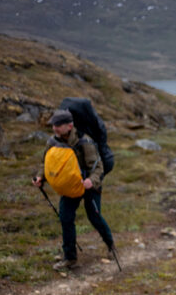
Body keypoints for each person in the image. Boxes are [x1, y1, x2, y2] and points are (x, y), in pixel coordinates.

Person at [32, 109, 115, 271]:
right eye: (53, 125)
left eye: (58, 125)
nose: (54, 128)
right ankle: (70, 257)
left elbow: (98, 167)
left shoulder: (85, 142)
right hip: (70, 185)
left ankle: (110, 244)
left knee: (94, 216)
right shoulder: (52, 142)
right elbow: (45, 163)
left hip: (89, 185)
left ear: (69, 126)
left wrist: (92, 180)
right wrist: (40, 177)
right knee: (65, 217)